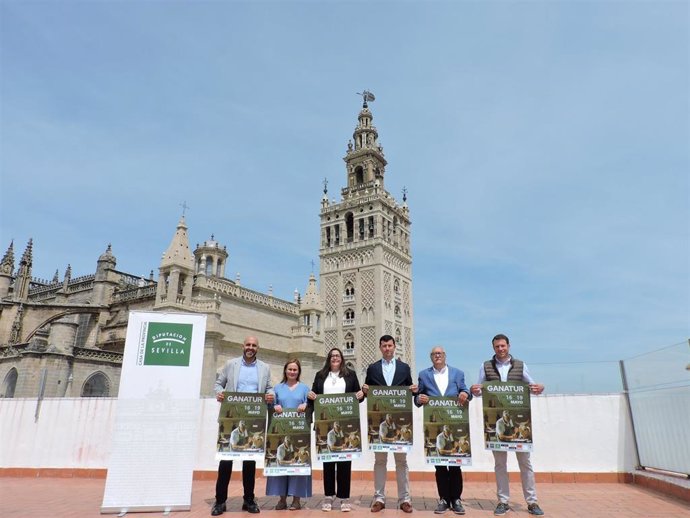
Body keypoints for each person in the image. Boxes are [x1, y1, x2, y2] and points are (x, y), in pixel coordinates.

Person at [470, 334, 545, 517]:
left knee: (525, 463)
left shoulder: (520, 365)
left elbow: (531, 386)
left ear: (509, 346)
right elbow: (480, 391)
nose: (500, 349)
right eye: (497, 347)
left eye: (503, 346)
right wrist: (475, 390)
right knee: (500, 464)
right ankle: (503, 501)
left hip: (519, 423)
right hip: (496, 423)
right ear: (493, 348)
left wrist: (538, 388)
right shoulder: (485, 366)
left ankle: (532, 501)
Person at [212, 336, 275, 516]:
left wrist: (270, 395)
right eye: (248, 345)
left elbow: (269, 388)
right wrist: (220, 393)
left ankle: (249, 499)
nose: (250, 348)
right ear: (243, 346)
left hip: (253, 419)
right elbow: (218, 384)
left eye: (254, 345)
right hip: (231, 417)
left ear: (258, 348)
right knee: (225, 461)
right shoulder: (231, 364)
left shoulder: (264, 368)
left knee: (249, 461)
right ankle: (220, 501)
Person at [362, 335, 417, 514]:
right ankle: (379, 498)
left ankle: (405, 499)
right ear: (380, 347)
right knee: (380, 461)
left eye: (390, 345)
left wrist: (414, 391)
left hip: (399, 424)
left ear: (394, 347)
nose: (387, 348)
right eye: (384, 346)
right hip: (378, 423)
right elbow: (367, 394)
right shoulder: (372, 368)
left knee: (401, 462)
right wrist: (364, 391)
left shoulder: (404, 368)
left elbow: (410, 393)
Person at [416, 346, 471, 515]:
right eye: (434, 354)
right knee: (439, 465)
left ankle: (456, 499)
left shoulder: (458, 373)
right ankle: (443, 499)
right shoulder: (424, 375)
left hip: (454, 423)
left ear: (445, 356)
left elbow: (466, 391)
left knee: (455, 465)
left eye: (439, 353)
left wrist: (465, 394)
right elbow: (417, 398)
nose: (437, 356)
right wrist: (419, 398)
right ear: (431, 357)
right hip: (434, 425)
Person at [308, 347, 364, 512]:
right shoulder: (320, 376)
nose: (335, 358)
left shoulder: (350, 375)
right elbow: (313, 395)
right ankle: (329, 495)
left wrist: (361, 395)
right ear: (328, 359)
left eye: (337, 356)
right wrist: (311, 396)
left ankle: (344, 497)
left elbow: (357, 397)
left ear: (342, 359)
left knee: (345, 461)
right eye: (332, 356)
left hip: (346, 424)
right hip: (325, 424)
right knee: (328, 462)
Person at [267, 359, 312, 511]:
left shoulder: (305, 388)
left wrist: (306, 405)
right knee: (282, 463)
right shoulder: (277, 389)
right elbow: (270, 405)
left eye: (295, 370)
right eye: (290, 369)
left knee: (298, 464)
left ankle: (296, 499)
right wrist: (275, 406)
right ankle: (281, 499)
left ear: (299, 372)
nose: (292, 372)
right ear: (285, 371)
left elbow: (311, 405)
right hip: (281, 433)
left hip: (299, 432)